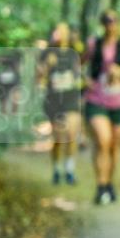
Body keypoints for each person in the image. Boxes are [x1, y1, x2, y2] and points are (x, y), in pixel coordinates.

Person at [83, 10, 120, 205]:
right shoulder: (93, 44)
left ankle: (109, 183)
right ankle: (100, 185)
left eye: (114, 20)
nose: (110, 24)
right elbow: (77, 64)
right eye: (107, 21)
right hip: (97, 99)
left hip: (119, 101)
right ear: (102, 23)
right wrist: (85, 80)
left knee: (114, 144)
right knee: (103, 140)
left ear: (118, 23)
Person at [37, 22, 83, 185]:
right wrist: (46, 66)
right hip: (54, 100)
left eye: (64, 30)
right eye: (58, 30)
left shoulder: (75, 52)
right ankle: (56, 169)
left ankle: (69, 169)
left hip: (71, 98)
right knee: (59, 137)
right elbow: (39, 77)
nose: (61, 33)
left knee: (71, 134)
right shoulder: (47, 53)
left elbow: (82, 73)